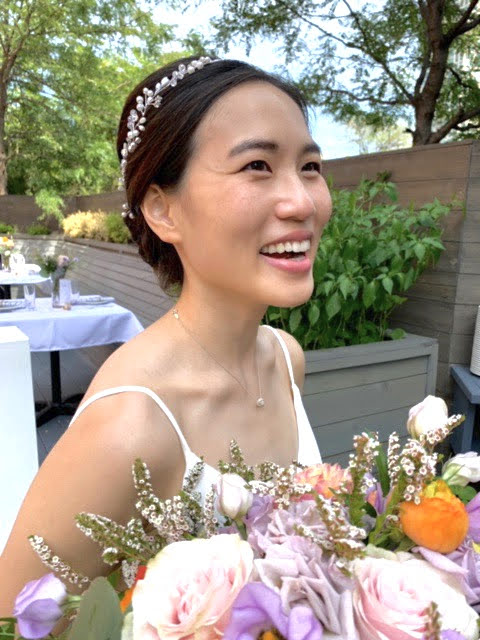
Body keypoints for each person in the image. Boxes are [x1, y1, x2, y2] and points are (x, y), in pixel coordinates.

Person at [0, 55, 332, 613]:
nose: (302, 201)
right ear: (162, 209)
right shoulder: (131, 427)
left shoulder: (284, 359)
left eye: (311, 166)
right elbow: (13, 616)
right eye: (256, 165)